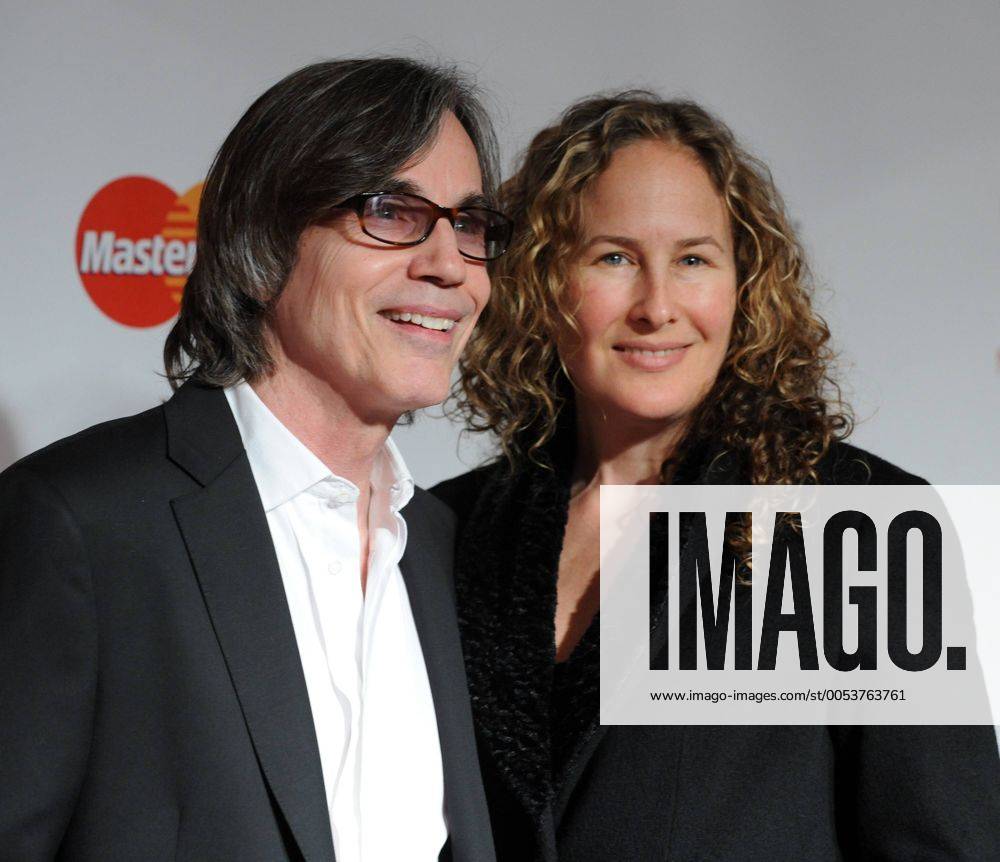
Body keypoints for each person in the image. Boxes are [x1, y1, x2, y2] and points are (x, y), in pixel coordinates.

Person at [433, 92, 1000, 860]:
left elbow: (944, 844)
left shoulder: (859, 523)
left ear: (745, 284)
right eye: (615, 258)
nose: (657, 306)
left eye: (694, 259)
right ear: (543, 280)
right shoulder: (444, 531)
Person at [0, 57, 512, 861]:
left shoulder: (443, 546)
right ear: (265, 239)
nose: (450, 264)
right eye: (392, 212)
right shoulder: (83, 524)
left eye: (471, 225)